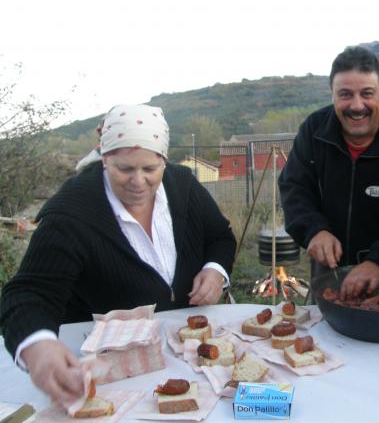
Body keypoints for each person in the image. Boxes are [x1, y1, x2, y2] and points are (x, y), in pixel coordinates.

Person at [0, 104, 237, 405]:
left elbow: (220, 237)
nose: (138, 181)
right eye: (124, 169)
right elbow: (29, 293)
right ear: (104, 159)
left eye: (150, 169)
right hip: (105, 373)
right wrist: (38, 346)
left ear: (164, 160)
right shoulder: (71, 213)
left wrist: (215, 269)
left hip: (187, 358)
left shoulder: (183, 186)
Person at [278, 46, 379, 300]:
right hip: (330, 270)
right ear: (332, 94)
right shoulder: (313, 130)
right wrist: (314, 230)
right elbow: (294, 188)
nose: (356, 105)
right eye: (345, 94)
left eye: (367, 93)